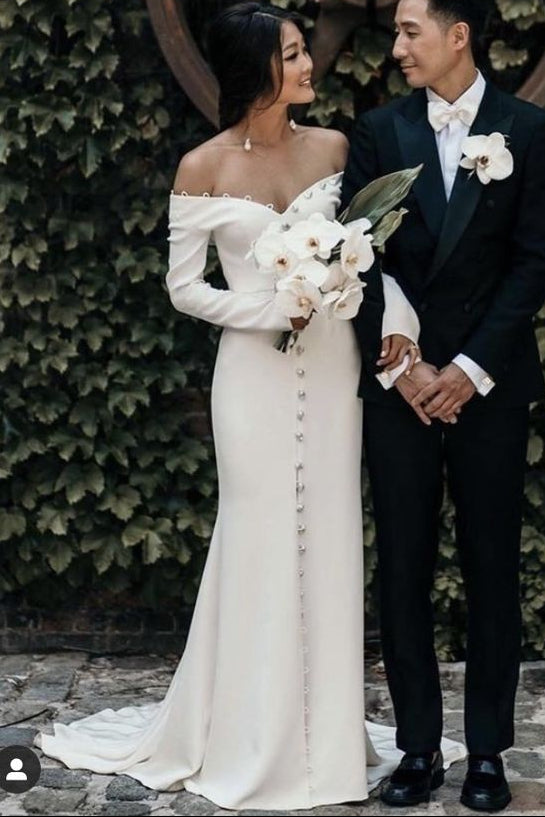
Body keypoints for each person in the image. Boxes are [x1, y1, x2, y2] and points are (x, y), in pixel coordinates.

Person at [34, 2, 466, 811]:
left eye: (303, 51)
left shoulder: (335, 149)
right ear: (255, 69)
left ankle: (324, 741)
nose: (307, 66)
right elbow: (184, 288)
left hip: (333, 372)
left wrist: (388, 323)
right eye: (293, 54)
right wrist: (269, 307)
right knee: (256, 537)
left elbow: (375, 258)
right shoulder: (201, 165)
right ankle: (247, 733)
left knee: (329, 539)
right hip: (250, 376)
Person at [342, 0, 545, 811]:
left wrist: (465, 368)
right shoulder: (376, 131)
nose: (396, 47)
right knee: (402, 567)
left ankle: (487, 751)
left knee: (492, 568)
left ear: (457, 36)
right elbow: (355, 256)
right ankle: (417, 746)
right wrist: (407, 367)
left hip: (486, 388)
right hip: (402, 390)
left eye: (409, 31)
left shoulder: (528, 131)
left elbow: (533, 263)